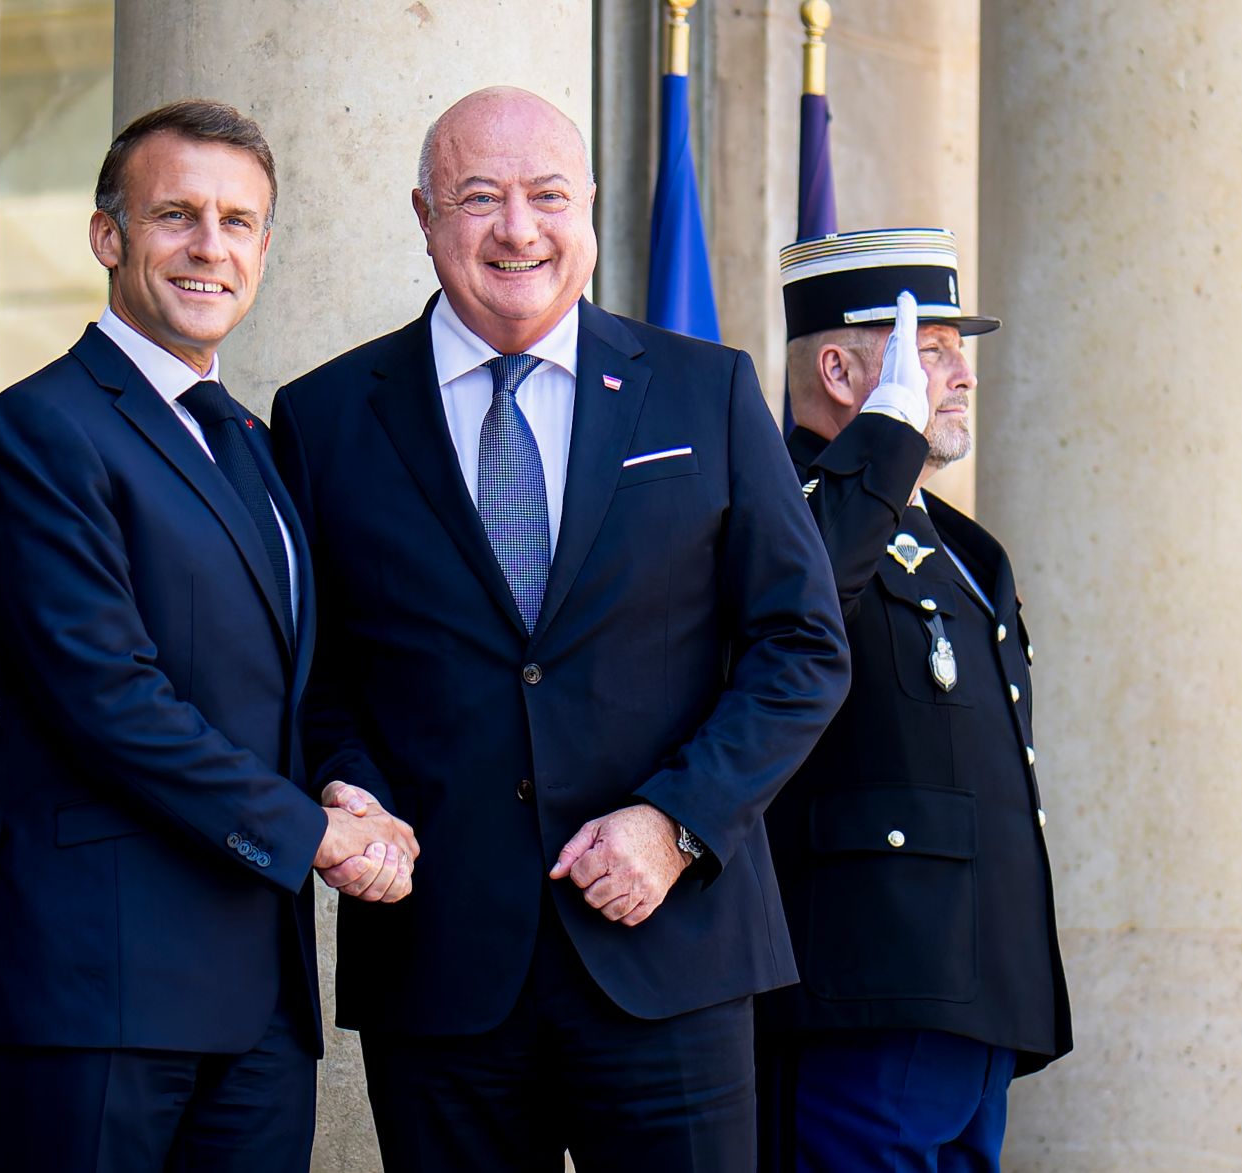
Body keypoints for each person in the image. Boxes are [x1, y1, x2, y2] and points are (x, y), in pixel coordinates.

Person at [271, 86, 850, 1171]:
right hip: (439, 963)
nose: (516, 229)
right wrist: (345, 784)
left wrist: (675, 823)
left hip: (669, 954)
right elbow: (311, 675)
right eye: (477, 197)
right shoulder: (323, 417)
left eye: (546, 195)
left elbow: (801, 647)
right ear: (423, 215)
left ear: (588, 206)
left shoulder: (703, 394)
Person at [0, 99, 418, 1173]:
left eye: (239, 221)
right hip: (99, 987)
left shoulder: (247, 442)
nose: (212, 246)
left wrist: (346, 781)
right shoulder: (40, 430)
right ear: (108, 237)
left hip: (256, 1001)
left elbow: (287, 687)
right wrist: (315, 835)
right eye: (177, 215)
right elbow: (109, 701)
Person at [757, 229, 1073, 1171]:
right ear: (843, 367)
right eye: (929, 350)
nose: (960, 374)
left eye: (956, 349)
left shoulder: (966, 549)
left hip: (970, 994)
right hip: (868, 993)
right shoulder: (784, 504)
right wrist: (885, 448)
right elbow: (790, 614)